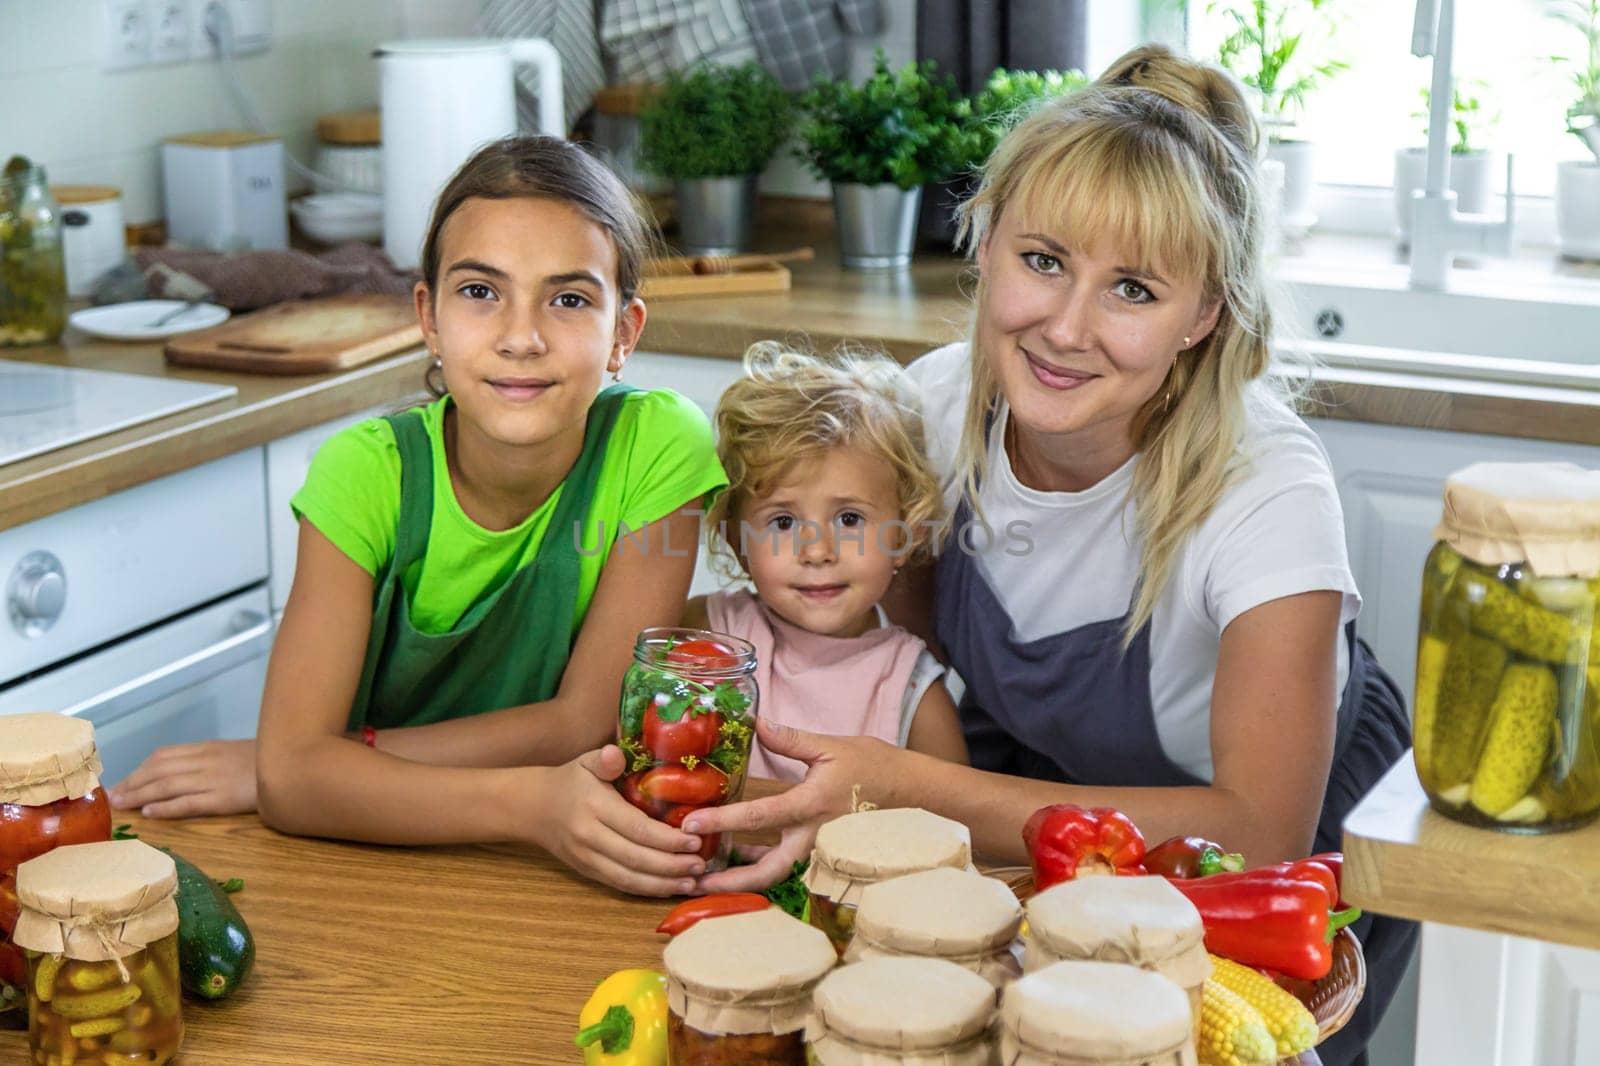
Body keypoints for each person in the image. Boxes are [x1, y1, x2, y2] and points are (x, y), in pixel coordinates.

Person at [689, 47, 1415, 1065]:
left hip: (1266, 844)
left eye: (1130, 289)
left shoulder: (1266, 487)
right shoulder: (930, 418)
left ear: (1202, 314)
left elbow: (1260, 827)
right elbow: (880, 670)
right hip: (1055, 803)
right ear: (982, 244)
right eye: (1040, 261)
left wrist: (912, 790)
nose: (1066, 329)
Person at [109, 136, 728, 897]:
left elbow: (584, 726)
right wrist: (525, 802)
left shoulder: (658, 443)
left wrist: (328, 763)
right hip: (360, 864)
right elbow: (297, 780)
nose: (521, 337)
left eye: (568, 299)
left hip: (536, 877)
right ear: (428, 318)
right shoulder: (367, 473)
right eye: (480, 292)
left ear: (624, 334)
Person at [683, 343, 969, 781]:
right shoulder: (707, 633)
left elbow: (953, 825)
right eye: (782, 522)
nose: (817, 552)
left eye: (849, 518)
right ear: (739, 543)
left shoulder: (913, 690)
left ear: (904, 537)